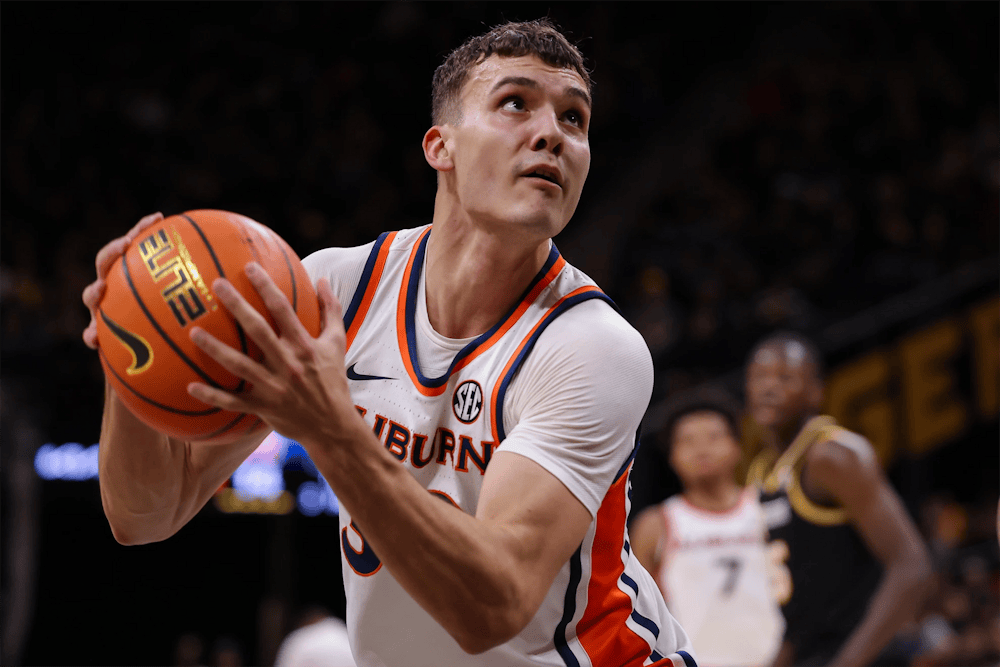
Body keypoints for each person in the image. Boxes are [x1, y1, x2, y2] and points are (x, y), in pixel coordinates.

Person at [82, 19, 696, 667]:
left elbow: (496, 604)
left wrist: (333, 431)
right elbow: (146, 514)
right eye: (515, 103)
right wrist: (132, 347)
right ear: (441, 146)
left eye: (575, 119)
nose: (552, 133)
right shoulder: (330, 292)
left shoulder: (593, 346)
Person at [742, 331, 932, 667]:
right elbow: (806, 603)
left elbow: (912, 566)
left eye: (785, 377)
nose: (768, 387)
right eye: (759, 377)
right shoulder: (761, 473)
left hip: (866, 656)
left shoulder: (833, 456)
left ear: (816, 392)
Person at [631, 388, 784, 667]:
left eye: (714, 437)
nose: (701, 449)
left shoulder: (768, 509)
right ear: (672, 457)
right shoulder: (656, 524)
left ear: (737, 446)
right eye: (687, 441)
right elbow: (637, 614)